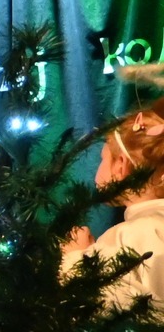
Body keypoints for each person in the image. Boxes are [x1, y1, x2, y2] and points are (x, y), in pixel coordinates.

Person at [65, 98, 164, 312]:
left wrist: (76, 257)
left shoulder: (129, 236)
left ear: (121, 167)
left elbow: (108, 305)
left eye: (103, 158)